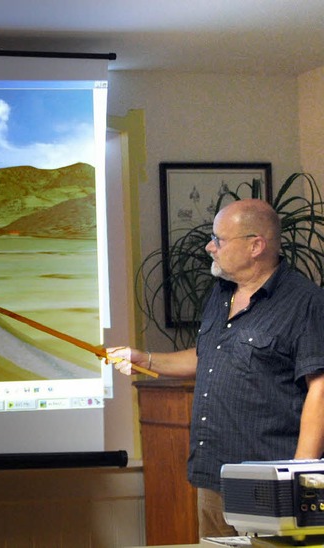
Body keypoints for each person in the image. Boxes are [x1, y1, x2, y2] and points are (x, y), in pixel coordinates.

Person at [108, 198, 324, 538]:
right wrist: (146, 360)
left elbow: (320, 388)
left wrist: (300, 476)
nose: (210, 247)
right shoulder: (220, 293)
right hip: (215, 476)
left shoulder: (305, 301)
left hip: (269, 479)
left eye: (218, 240)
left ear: (255, 245)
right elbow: (209, 355)